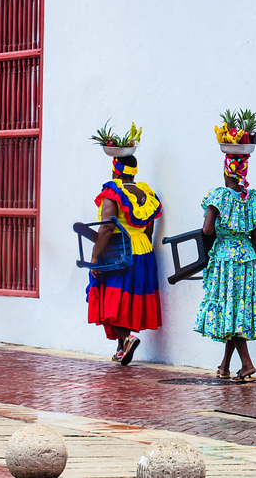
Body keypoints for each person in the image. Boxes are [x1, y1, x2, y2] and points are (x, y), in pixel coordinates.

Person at [194, 154, 256, 382]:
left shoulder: (219, 196)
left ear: (227, 171)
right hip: (247, 259)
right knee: (236, 310)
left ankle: (246, 364)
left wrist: (221, 227)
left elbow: (207, 230)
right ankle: (225, 365)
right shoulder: (253, 199)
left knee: (230, 310)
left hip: (226, 259)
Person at [87, 155, 162, 365]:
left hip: (120, 249)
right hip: (143, 249)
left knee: (110, 297)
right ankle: (121, 348)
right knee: (127, 297)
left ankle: (128, 340)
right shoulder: (146, 193)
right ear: (133, 172)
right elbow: (149, 227)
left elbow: (107, 227)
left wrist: (95, 256)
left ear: (115, 171)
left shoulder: (113, 193)